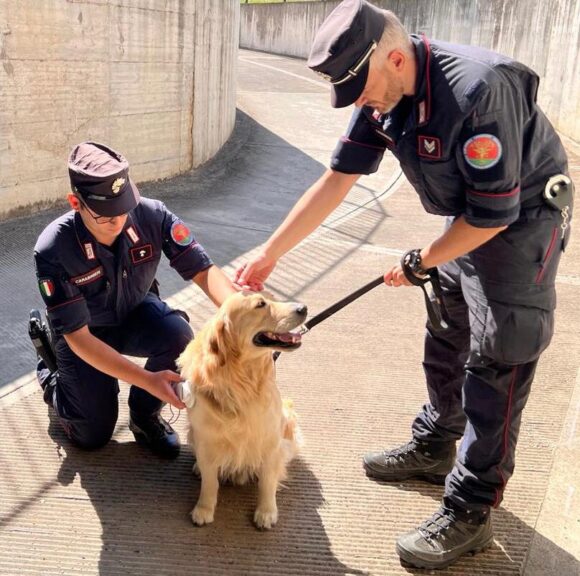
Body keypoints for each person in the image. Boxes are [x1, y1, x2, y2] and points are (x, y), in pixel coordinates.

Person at [234, 0, 574, 569]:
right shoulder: (380, 91)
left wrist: (423, 259)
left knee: (500, 357)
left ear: (396, 58)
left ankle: (471, 511)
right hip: (469, 214)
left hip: (521, 221)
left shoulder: (478, 91)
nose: (358, 104)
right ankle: (437, 442)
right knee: (448, 328)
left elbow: (493, 216)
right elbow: (337, 179)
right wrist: (271, 254)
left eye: (361, 90)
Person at [33, 141, 236, 459]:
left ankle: (144, 418)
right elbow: (79, 337)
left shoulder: (152, 215)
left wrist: (242, 316)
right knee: (91, 435)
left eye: (124, 208)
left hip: (134, 313)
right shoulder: (54, 248)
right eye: (105, 215)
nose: (119, 220)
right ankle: (52, 376)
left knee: (179, 336)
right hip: (84, 333)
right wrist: (146, 379)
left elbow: (203, 270)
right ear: (76, 202)